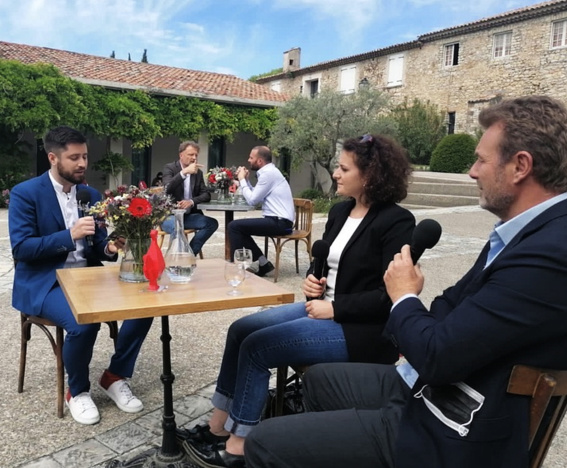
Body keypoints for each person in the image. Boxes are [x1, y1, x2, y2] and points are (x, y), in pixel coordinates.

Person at [243, 96, 567, 468]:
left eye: (481, 159)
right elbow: (451, 302)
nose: (472, 171)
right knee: (320, 381)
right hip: (432, 386)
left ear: (520, 166)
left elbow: (437, 356)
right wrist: (417, 323)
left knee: (264, 443)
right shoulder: (528, 235)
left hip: (449, 430)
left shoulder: (553, 255)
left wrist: (403, 298)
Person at [181, 135, 415, 468]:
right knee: (241, 329)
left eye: (343, 168)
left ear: (370, 175)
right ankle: (219, 427)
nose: (335, 173)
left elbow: (390, 295)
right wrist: (312, 280)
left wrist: (334, 307)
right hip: (324, 308)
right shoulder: (340, 211)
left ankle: (239, 446)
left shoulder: (396, 222)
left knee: (258, 347)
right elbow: (324, 263)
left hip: (361, 329)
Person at [9, 126, 152, 425]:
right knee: (82, 323)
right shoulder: (26, 194)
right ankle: (77, 391)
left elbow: (98, 246)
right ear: (53, 158)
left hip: (88, 278)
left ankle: (114, 375)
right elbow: (21, 248)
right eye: (74, 157)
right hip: (46, 280)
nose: (82, 164)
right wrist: (68, 235)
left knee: (147, 302)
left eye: (84, 156)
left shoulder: (90, 194)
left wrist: (111, 246)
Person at [228, 146, 295, 277]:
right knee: (239, 228)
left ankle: (237, 266)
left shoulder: (268, 174)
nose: (248, 160)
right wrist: (246, 181)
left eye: (251, 158)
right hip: (277, 220)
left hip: (281, 223)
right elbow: (256, 195)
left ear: (259, 161)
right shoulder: (269, 173)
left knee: (234, 227)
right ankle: (263, 264)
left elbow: (252, 201)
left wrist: (242, 180)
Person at [161, 141, 219, 255]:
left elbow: (206, 194)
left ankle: (189, 255)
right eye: (190, 155)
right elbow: (166, 189)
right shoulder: (170, 168)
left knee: (212, 223)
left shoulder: (198, 173)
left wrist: (191, 201)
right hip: (169, 215)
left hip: (188, 216)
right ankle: (176, 260)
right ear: (181, 155)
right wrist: (184, 172)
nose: (194, 158)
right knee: (177, 227)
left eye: (196, 155)